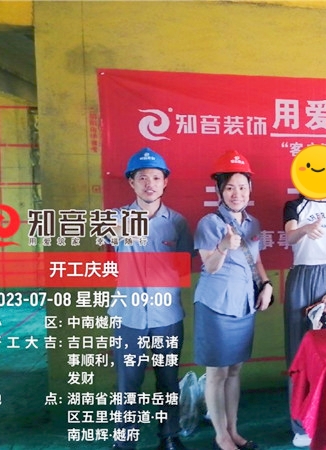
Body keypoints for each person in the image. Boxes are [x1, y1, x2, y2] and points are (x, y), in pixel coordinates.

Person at [109, 148, 193, 450]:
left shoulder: (178, 223)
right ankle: (125, 441)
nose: (150, 184)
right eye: (142, 178)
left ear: (165, 182)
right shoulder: (116, 218)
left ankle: (169, 436)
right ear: (131, 182)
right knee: (128, 382)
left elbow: (184, 266)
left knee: (168, 380)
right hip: (128, 316)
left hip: (166, 316)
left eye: (156, 178)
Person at [193, 150, 272, 450]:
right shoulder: (209, 223)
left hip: (243, 305)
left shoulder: (253, 223)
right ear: (219, 190)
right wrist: (224, 245)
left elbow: (256, 260)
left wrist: (266, 285)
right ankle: (220, 436)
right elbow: (211, 266)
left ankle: (233, 430)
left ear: (250, 189)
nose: (236, 193)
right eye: (229, 187)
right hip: (215, 306)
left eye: (242, 187)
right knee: (217, 372)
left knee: (235, 370)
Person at [282, 195, 326, 447]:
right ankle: (300, 424)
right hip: (301, 276)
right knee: (298, 352)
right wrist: (305, 229)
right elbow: (290, 236)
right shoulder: (294, 206)